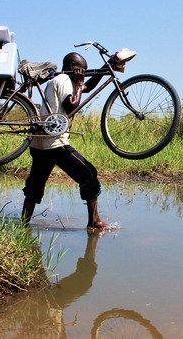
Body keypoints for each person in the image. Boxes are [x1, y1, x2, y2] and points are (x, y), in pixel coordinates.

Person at [21, 51, 115, 230]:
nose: (84, 75)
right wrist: (79, 84)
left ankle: (24, 224)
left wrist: (106, 67)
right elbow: (71, 104)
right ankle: (94, 221)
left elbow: (87, 87)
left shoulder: (60, 81)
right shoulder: (64, 80)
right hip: (55, 144)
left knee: (35, 185)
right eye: (82, 71)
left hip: (39, 143)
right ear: (72, 68)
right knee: (89, 175)